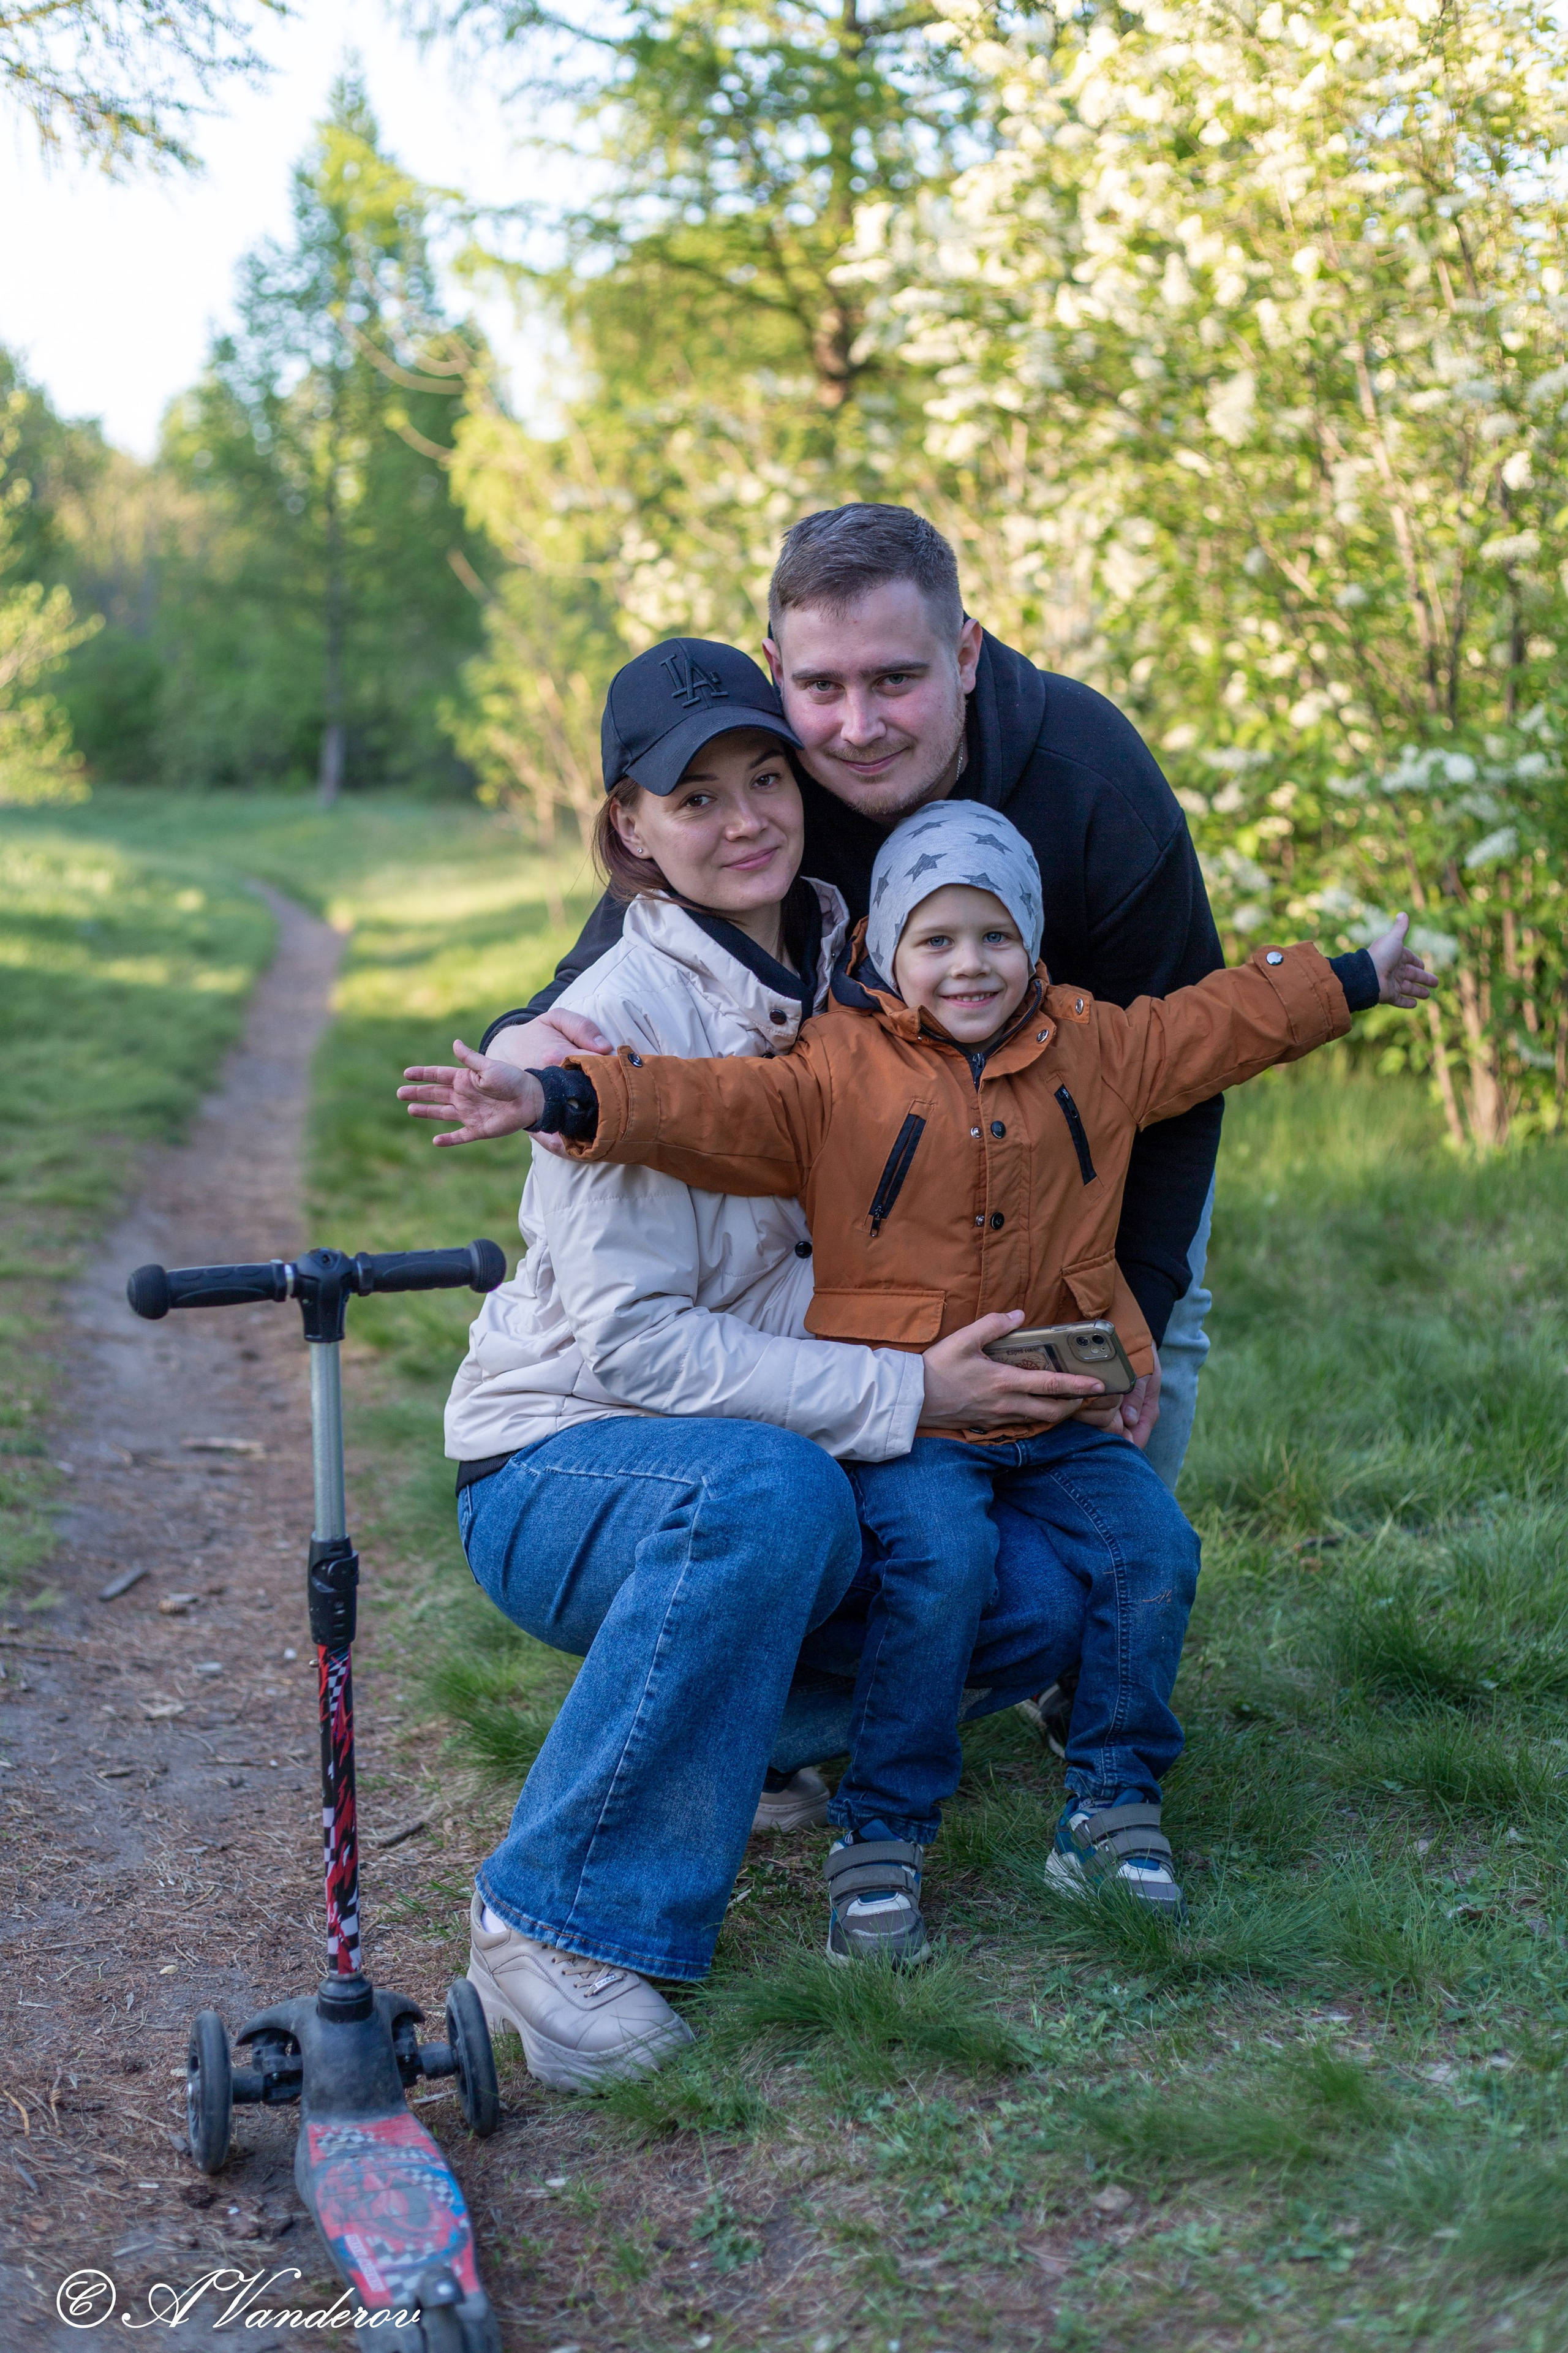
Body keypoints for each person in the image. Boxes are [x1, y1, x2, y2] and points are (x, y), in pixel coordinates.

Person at [428, 800, 1437, 1949]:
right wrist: (562, 1095)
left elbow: (1223, 1021)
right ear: (888, 953)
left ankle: (1112, 1802)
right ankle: (883, 1828)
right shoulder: (830, 1072)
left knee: (1152, 1549)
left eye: (997, 937)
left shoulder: (1096, 1046)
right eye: (938, 940)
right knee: (938, 1569)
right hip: (905, 1402)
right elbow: (698, 1104)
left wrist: (1353, 975)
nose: (970, 966)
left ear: (1035, 944)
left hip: (1052, 1396)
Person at [401, 645, 1110, 2083]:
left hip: (762, 1431)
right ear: (631, 832)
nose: (743, 819)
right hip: (564, 1455)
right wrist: (912, 1388)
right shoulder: (621, 1021)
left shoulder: (856, 960)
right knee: (772, 1500)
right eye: (694, 797)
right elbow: (630, 1342)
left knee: (1038, 1591)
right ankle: (553, 1925)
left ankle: (705, 1734)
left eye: (764, 778)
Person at [469, 504, 1226, 1492]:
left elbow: (1185, 1063)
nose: (859, 727)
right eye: (822, 686)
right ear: (777, 669)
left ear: (964, 653)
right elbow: (631, 934)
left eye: (896, 680)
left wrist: (1143, 1295)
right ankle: (915, 1595)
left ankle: (1112, 1584)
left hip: (1084, 1116)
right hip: (886, 1137)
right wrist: (522, 1036)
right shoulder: (772, 778)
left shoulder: (1096, 785)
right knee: (904, 1378)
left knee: (1136, 1354)